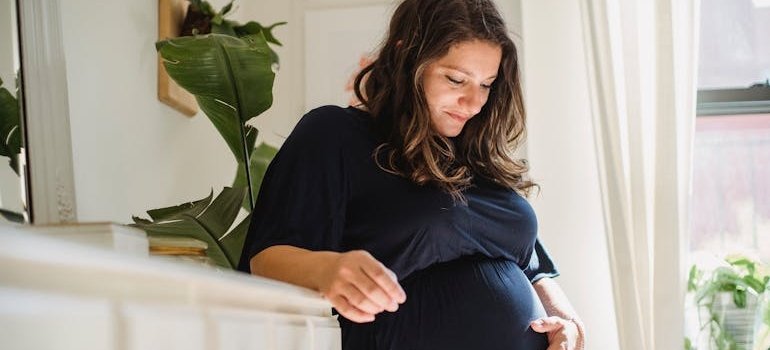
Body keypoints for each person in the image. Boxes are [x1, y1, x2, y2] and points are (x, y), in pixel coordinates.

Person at [238, 0, 585, 348]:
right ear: (408, 59)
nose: (474, 102)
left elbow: (533, 263)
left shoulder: (477, 156)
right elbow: (265, 258)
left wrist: (568, 324)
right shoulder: (335, 135)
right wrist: (328, 269)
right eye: (456, 79)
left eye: (486, 84)